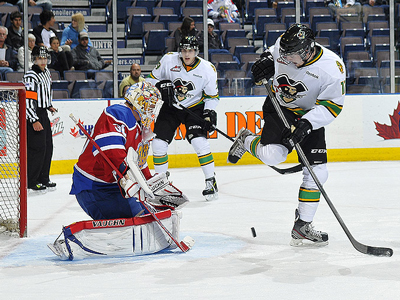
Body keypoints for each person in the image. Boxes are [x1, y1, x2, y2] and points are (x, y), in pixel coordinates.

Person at [228, 24, 346, 245]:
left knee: (319, 172)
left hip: (310, 116)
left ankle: (302, 225)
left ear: (307, 50)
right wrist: (263, 60)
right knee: (274, 155)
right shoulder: (284, 45)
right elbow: (271, 53)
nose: (287, 59)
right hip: (279, 107)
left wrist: (307, 124)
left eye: (292, 56)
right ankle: (246, 140)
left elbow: (332, 106)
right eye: (286, 54)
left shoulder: (332, 68)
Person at [47, 82, 191, 260]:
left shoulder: (141, 129)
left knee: (152, 211)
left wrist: (152, 187)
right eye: (151, 104)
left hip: (112, 187)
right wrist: (126, 179)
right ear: (140, 101)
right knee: (139, 216)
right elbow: (111, 151)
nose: (153, 109)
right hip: (94, 188)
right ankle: (77, 238)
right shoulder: (117, 113)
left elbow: (139, 164)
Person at [147, 36, 220, 201]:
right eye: (184, 50)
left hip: (194, 107)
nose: (187, 54)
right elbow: (150, 80)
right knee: (158, 143)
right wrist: (160, 86)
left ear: (196, 51)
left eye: (191, 50)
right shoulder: (168, 60)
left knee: (199, 142)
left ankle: (211, 181)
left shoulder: (207, 69)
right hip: (171, 107)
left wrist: (209, 114)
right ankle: (161, 183)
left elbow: (212, 97)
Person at [24, 46, 57, 191]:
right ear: (34, 59)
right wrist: (33, 119)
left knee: (47, 146)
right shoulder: (30, 75)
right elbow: (28, 100)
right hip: (34, 114)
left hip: (43, 112)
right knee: (36, 148)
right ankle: (31, 181)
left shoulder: (47, 72)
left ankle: (44, 178)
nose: (43, 61)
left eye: (44, 58)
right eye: (40, 58)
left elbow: (45, 92)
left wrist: (49, 105)